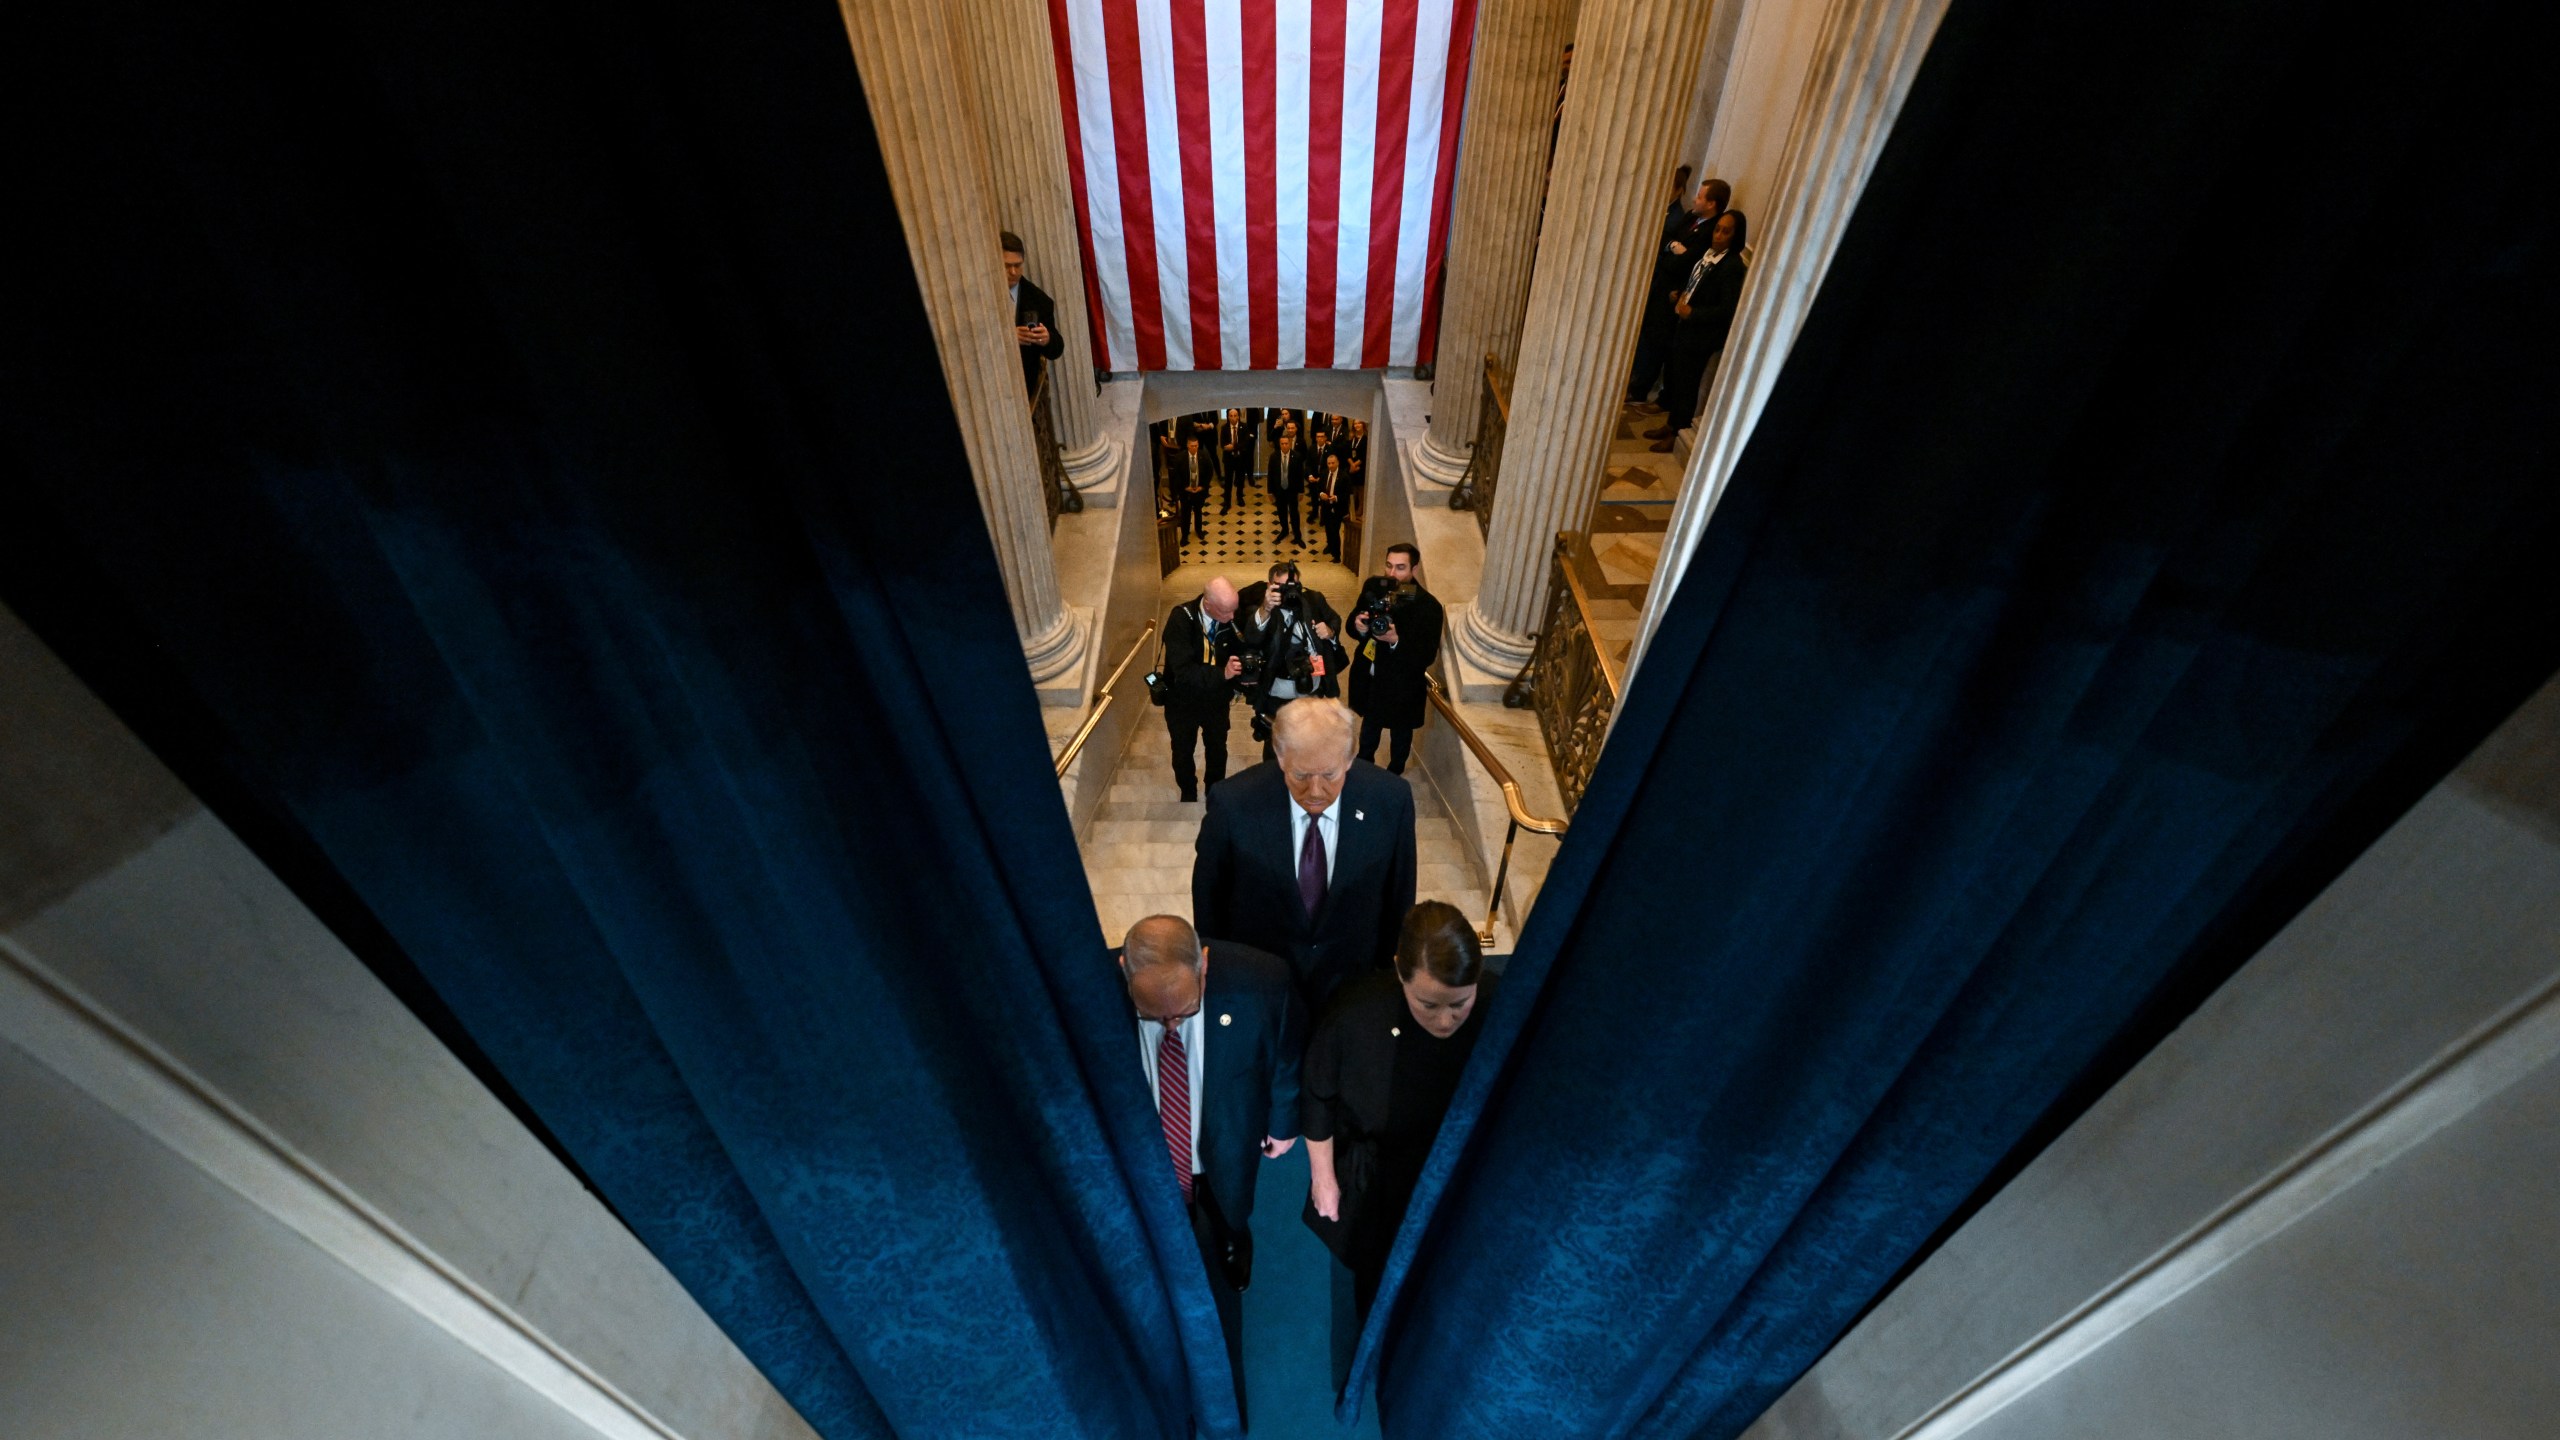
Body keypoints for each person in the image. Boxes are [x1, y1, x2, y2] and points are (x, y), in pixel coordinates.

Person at [1118, 915, 1303, 1425]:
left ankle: (1232, 1241)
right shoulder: (1094, 993)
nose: (1171, 1025)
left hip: (1224, 1148)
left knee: (1230, 1211)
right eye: (1155, 1018)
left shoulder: (1263, 981)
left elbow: (1285, 1057)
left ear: (1204, 965)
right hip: (1148, 1165)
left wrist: (1284, 1121)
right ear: (1123, 974)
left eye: (1184, 1011)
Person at [1301, 901, 1497, 1327]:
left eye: (1459, 1003)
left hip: (1461, 1166)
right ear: (1398, 972)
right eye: (1428, 1004)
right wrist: (1323, 1177)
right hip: (1379, 1172)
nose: (1446, 1020)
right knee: (1377, 1276)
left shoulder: (1501, 1008)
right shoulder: (1353, 1014)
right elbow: (1319, 1096)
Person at [1193, 697, 1416, 1010]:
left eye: (1329, 775)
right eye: (1300, 775)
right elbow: (1209, 899)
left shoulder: (1391, 800)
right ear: (1280, 756)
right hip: (1260, 990)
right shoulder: (1232, 804)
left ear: (1350, 758)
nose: (1314, 791)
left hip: (1352, 987)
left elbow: (1399, 897)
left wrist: (1387, 982)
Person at [1648, 208, 1749, 451]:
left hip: (1701, 335)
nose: (1718, 235)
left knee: (1687, 385)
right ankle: (1671, 424)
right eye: (1717, 229)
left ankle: (1678, 430)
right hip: (1685, 328)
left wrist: (1693, 313)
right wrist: (1681, 293)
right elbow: (1697, 281)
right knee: (1675, 376)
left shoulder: (1731, 266)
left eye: (1726, 231)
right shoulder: (1709, 254)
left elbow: (1726, 309)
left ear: (1735, 236)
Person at [1627, 179, 1728, 408]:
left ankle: (1640, 388)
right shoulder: (1691, 217)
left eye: (1701, 197)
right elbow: (1663, 237)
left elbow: (1682, 265)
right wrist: (1672, 247)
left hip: (1675, 293)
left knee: (1657, 341)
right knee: (1645, 334)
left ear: (1712, 203)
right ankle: (1635, 381)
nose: (1695, 199)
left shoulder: (1709, 231)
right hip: (1662, 285)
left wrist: (1669, 255)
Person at [1346, 543, 1445, 774]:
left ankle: (1394, 777)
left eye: (1400, 568)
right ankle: (1364, 772)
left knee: (1400, 739)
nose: (1392, 574)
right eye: (1389, 566)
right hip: (1372, 681)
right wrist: (1359, 625)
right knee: (1368, 733)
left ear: (1415, 569)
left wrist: (1395, 641)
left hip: (1403, 687)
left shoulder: (1429, 606)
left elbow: (1426, 655)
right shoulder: (1374, 587)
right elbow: (1353, 625)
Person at [1236, 560, 1346, 751]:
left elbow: (1334, 619)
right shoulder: (1263, 607)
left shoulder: (1314, 599)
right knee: (1277, 748)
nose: (1289, 592)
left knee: (1310, 745)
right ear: (1271, 586)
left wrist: (1330, 631)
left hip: (1313, 690)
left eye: (1294, 586)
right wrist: (1266, 608)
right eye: (1282, 587)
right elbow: (1252, 638)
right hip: (1277, 694)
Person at [1161, 576, 1245, 801]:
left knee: (1218, 749)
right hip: (1182, 703)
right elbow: (1184, 672)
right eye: (1226, 612)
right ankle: (1188, 792)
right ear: (1208, 605)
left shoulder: (1230, 618)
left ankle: (1214, 791)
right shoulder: (1180, 620)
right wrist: (1223, 674)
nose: (1232, 617)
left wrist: (1241, 675)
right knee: (1182, 752)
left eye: (1233, 610)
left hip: (1216, 701)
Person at [1002, 231, 1064, 396]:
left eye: (1018, 265)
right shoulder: (979, 297)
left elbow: (1057, 349)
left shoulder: (1039, 300)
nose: (1014, 272)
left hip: (1022, 386)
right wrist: (1007, 335)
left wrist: (1047, 338)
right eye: (1007, 266)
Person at [1269, 430, 1308, 547]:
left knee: (1294, 513)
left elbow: (1300, 475)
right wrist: (1270, 492)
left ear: (1290, 443)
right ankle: (1284, 530)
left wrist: (1301, 491)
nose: (1284, 445)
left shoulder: (1297, 456)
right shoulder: (1274, 456)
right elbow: (1270, 475)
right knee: (1281, 512)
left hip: (1292, 490)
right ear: (1279, 444)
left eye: (1286, 443)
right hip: (1279, 490)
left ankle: (1297, 535)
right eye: (1282, 443)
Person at [1175, 433, 1217, 541]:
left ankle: (1199, 530)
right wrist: (1185, 487)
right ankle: (1185, 535)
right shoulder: (1180, 457)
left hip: (1199, 490)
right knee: (1185, 513)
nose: (1194, 448)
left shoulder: (1204, 455)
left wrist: (1202, 486)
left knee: (1198, 511)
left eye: (1196, 446)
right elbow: (1176, 475)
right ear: (1188, 446)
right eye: (1192, 446)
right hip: (1186, 491)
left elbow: (1209, 471)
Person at [1312, 452, 1351, 561]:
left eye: (1333, 463)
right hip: (1326, 507)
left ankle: (1337, 555)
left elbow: (1347, 494)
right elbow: (1318, 488)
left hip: (1337, 508)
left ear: (1337, 463)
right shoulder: (1324, 474)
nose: (1331, 465)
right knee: (1328, 529)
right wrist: (1321, 494)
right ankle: (1329, 546)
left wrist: (1337, 498)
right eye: (1329, 463)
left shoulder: (1344, 476)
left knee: (1335, 531)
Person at [1218, 408, 1254, 513]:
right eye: (1231, 415)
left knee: (1240, 479)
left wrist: (1233, 446)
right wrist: (1229, 447)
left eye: (1235, 415)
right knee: (1228, 481)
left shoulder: (1244, 427)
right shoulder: (1224, 428)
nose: (1233, 418)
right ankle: (1227, 502)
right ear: (1228, 417)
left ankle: (1239, 497)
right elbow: (1222, 444)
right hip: (1229, 459)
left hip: (1241, 458)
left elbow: (1246, 443)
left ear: (1238, 416)